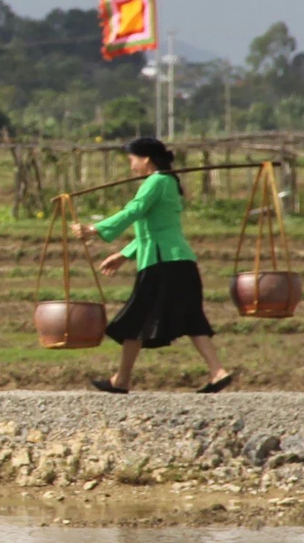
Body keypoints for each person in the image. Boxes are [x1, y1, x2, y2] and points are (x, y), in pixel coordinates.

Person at [73, 136, 233, 395]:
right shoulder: (166, 182)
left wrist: (94, 229)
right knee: (190, 318)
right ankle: (217, 371)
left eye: (132, 160)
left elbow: (133, 210)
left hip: (162, 264)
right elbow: (155, 230)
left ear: (145, 159)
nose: (131, 166)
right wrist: (125, 255)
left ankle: (122, 380)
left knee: (136, 318)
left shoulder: (156, 181)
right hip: (178, 260)